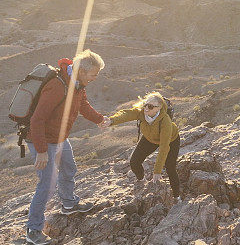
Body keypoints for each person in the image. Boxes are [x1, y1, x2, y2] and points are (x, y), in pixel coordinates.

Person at [24, 49, 110, 245]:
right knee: (46, 185)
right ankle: (33, 230)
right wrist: (42, 150)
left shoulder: (78, 85)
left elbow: (83, 105)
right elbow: (37, 120)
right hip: (43, 140)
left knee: (69, 168)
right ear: (81, 71)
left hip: (59, 137)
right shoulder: (57, 86)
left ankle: (69, 204)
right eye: (94, 74)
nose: (96, 78)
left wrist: (99, 120)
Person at [104, 91, 181, 199]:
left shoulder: (165, 122)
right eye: (145, 104)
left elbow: (164, 146)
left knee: (170, 168)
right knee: (134, 162)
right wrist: (111, 121)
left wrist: (157, 171)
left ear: (158, 108)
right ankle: (142, 180)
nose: (146, 108)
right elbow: (127, 114)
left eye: (150, 106)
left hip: (171, 140)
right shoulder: (142, 113)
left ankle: (176, 197)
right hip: (150, 138)